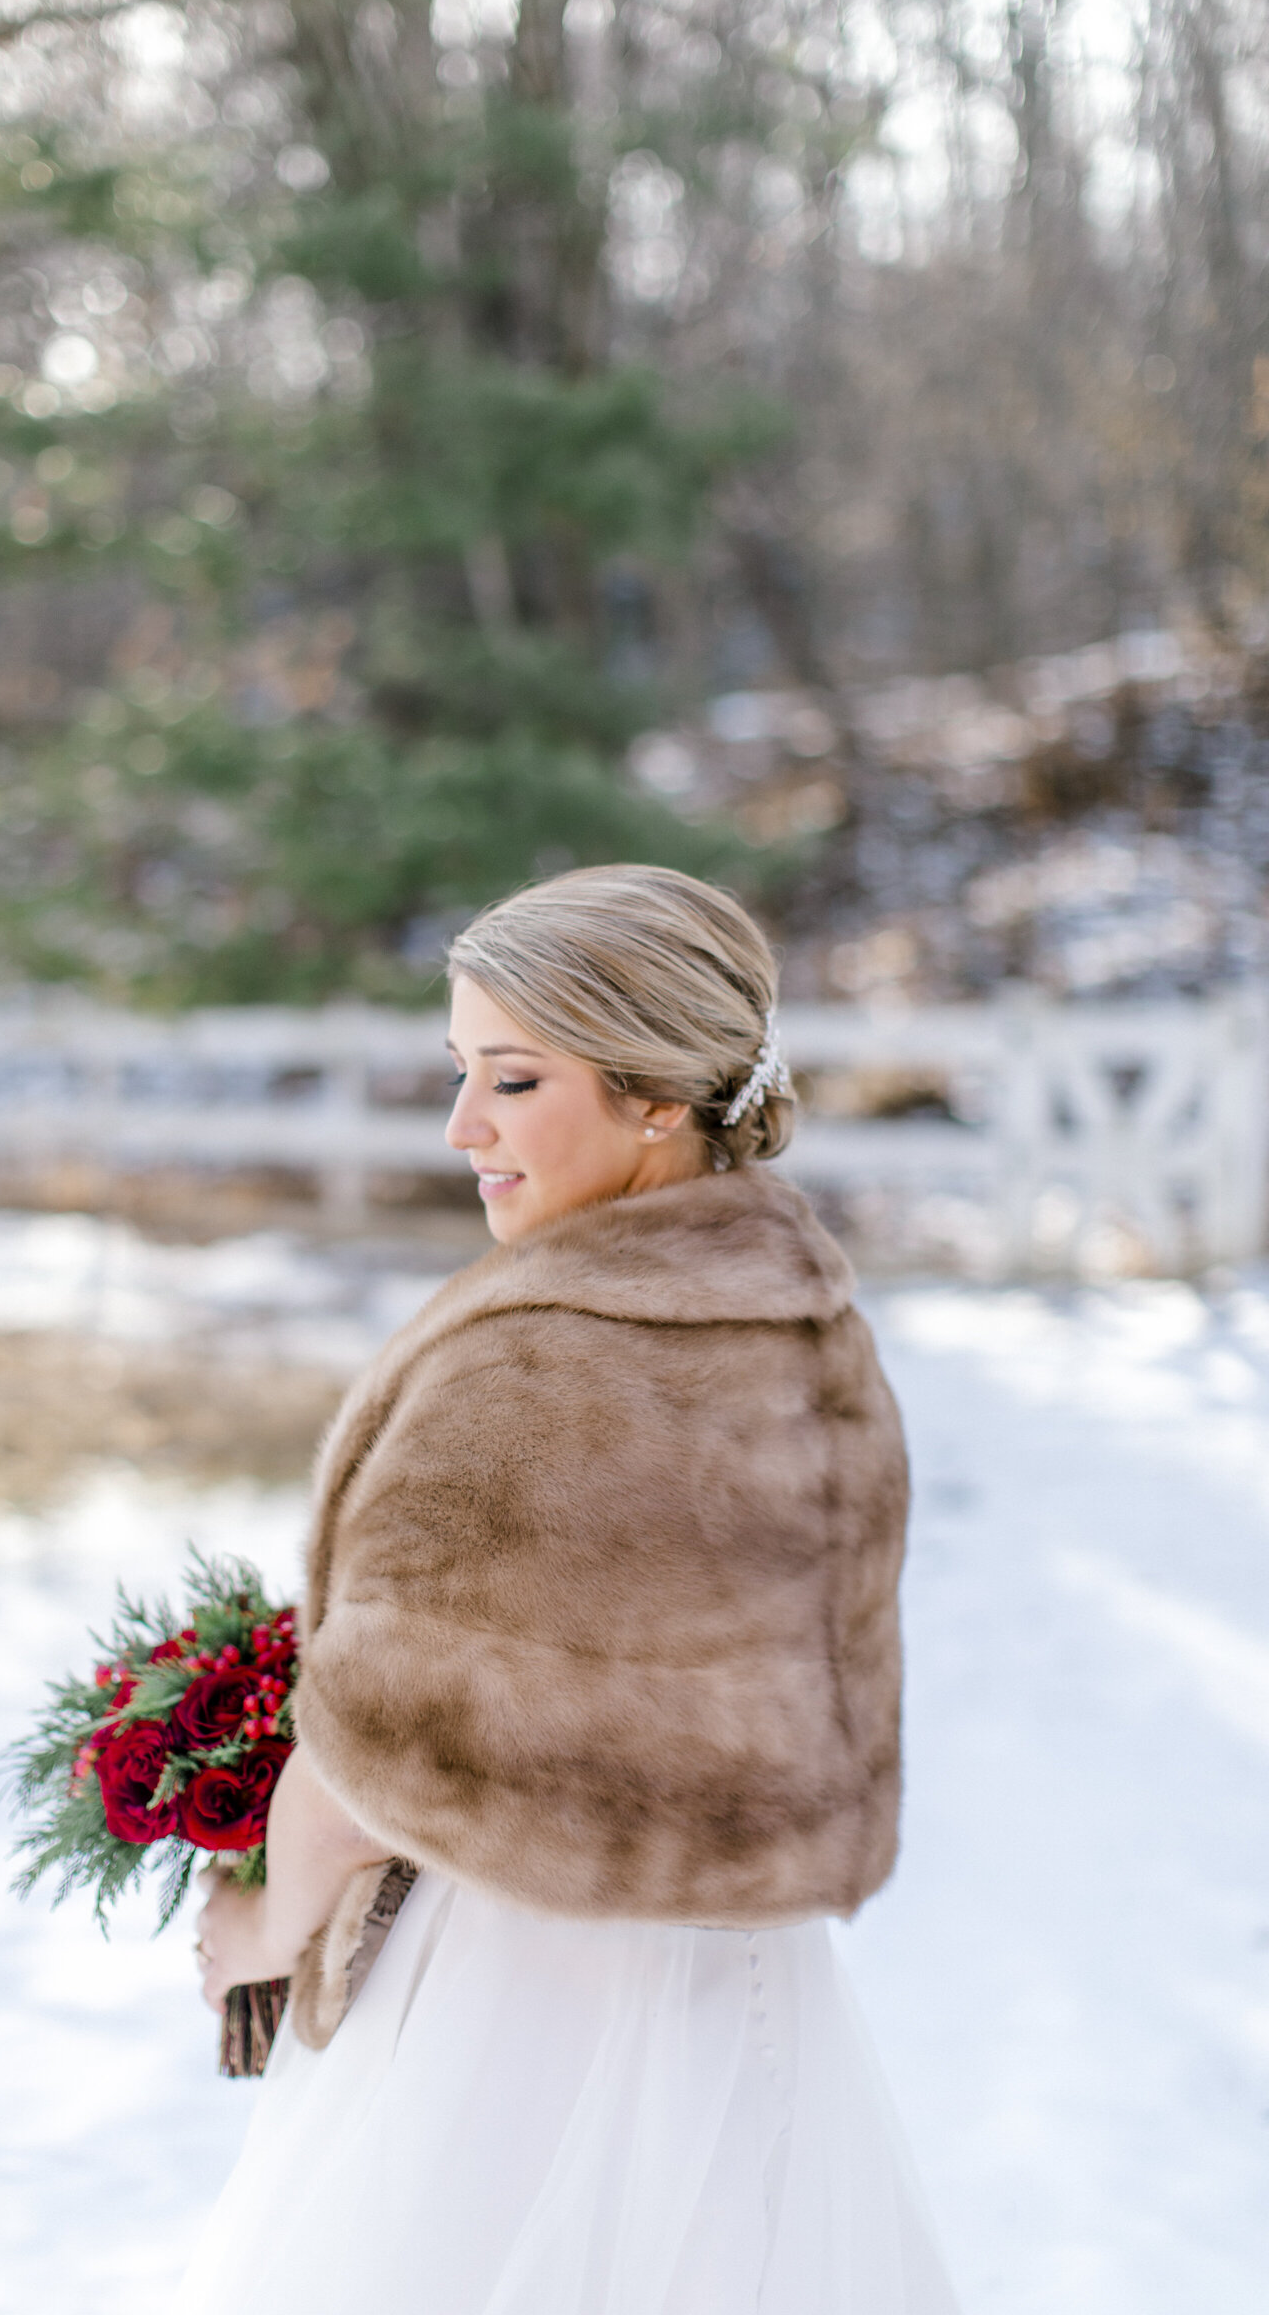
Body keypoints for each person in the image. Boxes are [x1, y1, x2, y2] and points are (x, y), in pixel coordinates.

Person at [178, 864, 960, 2314]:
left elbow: (368, 1769)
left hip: (513, 2020)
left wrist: (262, 1931)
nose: (463, 1126)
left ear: (660, 1094)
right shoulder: (805, 1330)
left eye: (515, 1079)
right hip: (744, 2014)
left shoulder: (538, 1362)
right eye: (461, 1071)